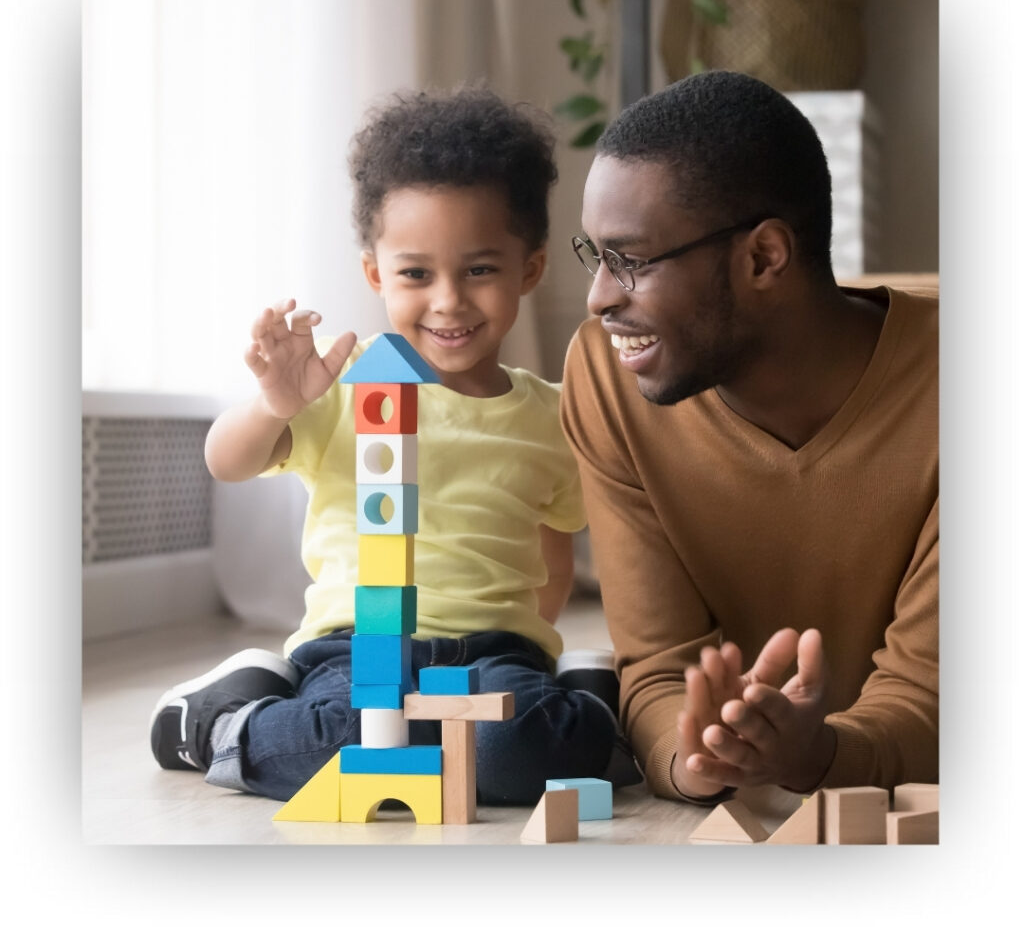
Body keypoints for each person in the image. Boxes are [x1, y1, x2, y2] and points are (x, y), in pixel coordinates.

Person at [149, 86, 641, 805]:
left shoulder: (550, 415)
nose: (448, 300)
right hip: (353, 650)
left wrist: (529, 646)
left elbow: (552, 555)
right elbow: (227, 460)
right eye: (416, 274)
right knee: (337, 743)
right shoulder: (341, 385)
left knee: (521, 753)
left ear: (528, 270)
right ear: (376, 273)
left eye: (479, 270)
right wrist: (275, 404)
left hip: (494, 653)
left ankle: (581, 694)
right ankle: (226, 717)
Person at [559, 70, 937, 806]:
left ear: (764, 257)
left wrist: (817, 754)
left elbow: (941, 702)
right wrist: (696, 755)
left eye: (629, 260)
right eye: (594, 255)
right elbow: (659, 669)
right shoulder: (608, 377)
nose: (599, 297)